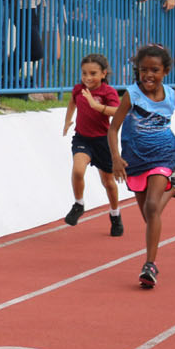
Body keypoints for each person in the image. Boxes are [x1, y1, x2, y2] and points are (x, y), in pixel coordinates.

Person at [108, 43, 175, 289]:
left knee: (152, 206)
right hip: (135, 158)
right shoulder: (131, 95)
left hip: (164, 154)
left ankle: (150, 265)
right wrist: (116, 158)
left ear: (166, 71)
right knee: (150, 217)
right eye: (143, 70)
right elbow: (113, 128)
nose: (148, 75)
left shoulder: (174, 96)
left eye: (155, 70)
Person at [62, 53, 124, 236]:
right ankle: (79, 204)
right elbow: (72, 102)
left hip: (103, 141)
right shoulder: (78, 89)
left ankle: (115, 215)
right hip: (82, 138)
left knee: (108, 182)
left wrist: (95, 105)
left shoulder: (108, 92)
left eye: (93, 73)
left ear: (104, 73)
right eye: (84, 73)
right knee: (78, 170)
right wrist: (67, 120)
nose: (88, 78)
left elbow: (118, 111)